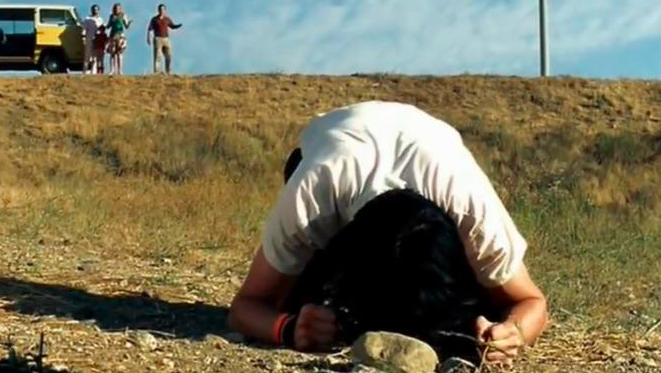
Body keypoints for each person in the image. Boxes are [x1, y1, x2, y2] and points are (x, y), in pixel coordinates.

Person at [228, 101, 548, 366]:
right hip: (333, 143)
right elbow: (246, 306)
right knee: (291, 297)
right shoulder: (314, 194)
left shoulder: (473, 215)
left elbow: (531, 301)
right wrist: (289, 328)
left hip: (429, 144)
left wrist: (512, 332)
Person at [147, 3, 182, 74]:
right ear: (158, 10)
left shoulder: (167, 19)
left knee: (168, 55)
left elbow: (172, 26)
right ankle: (157, 71)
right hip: (157, 38)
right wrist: (148, 38)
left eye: (163, 9)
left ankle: (168, 71)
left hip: (166, 39)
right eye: (160, 9)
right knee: (157, 56)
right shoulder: (154, 19)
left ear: (165, 10)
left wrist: (178, 26)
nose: (161, 11)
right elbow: (150, 29)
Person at [107, 3, 132, 75]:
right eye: (115, 8)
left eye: (118, 8)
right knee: (112, 53)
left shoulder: (123, 15)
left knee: (119, 53)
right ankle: (112, 70)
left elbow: (126, 26)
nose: (116, 10)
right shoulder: (112, 16)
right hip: (112, 35)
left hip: (120, 35)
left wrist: (129, 23)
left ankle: (120, 70)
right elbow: (108, 26)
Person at [82, 4, 104, 74]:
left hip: (97, 41)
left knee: (95, 57)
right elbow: (84, 29)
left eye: (97, 10)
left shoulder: (100, 20)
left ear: (99, 11)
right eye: (94, 10)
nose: (95, 11)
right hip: (89, 39)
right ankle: (85, 72)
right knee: (88, 56)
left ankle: (93, 72)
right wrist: (84, 38)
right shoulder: (87, 19)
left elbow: (102, 30)